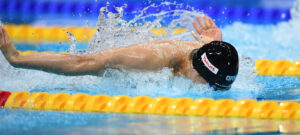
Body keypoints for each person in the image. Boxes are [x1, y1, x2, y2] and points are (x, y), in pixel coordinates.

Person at [0, 15, 238, 90]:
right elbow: (82, 63)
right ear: (193, 67)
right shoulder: (149, 59)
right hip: (94, 70)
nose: (207, 89)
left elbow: (212, 63)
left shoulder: (206, 57)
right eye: (206, 82)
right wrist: (16, 58)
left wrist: (215, 45)